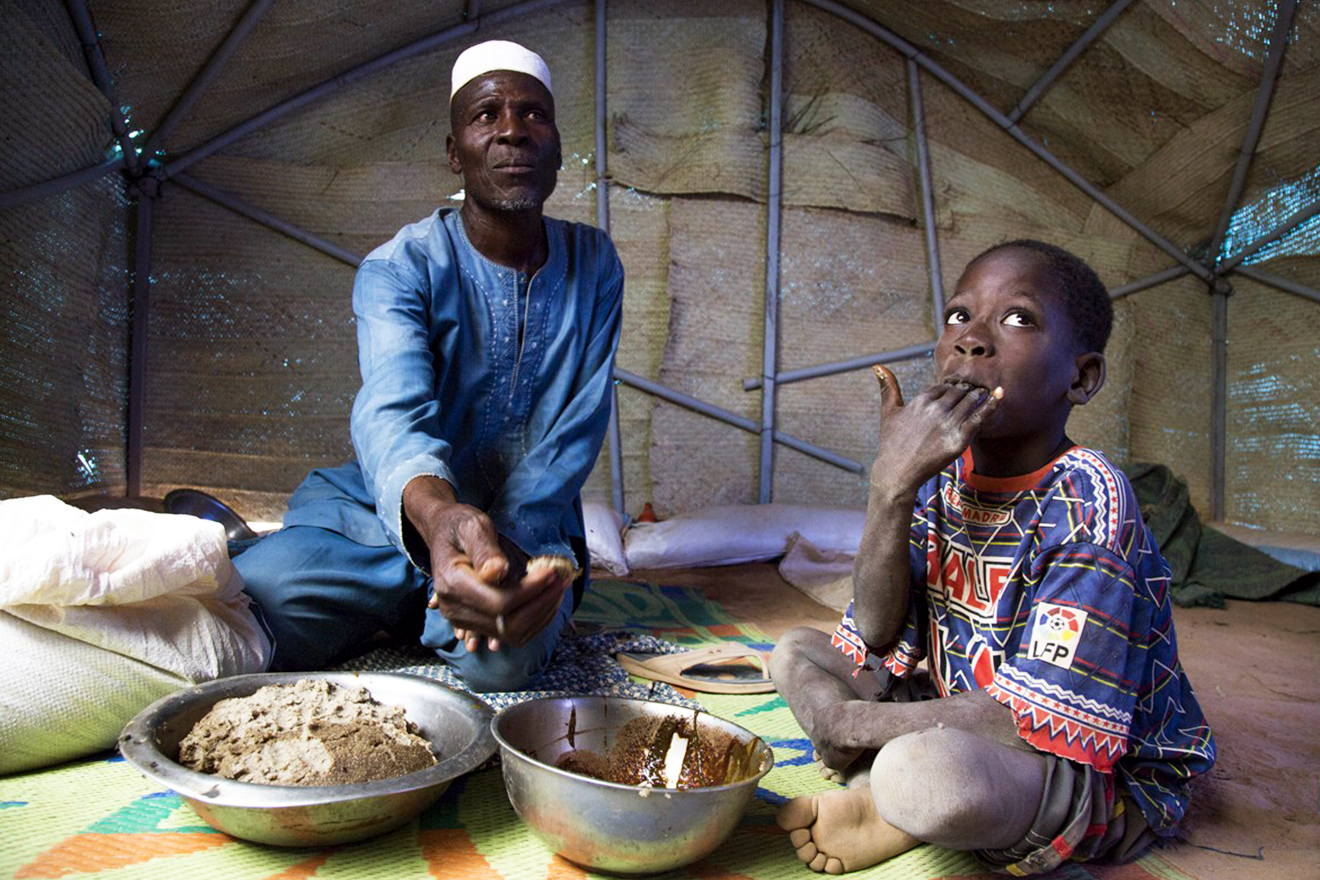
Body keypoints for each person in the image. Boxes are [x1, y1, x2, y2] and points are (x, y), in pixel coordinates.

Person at [769, 240, 1215, 875]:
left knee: (924, 771)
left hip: (1078, 766)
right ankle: (890, 795)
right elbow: (870, 633)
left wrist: (856, 725)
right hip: (958, 709)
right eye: (958, 316)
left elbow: (1032, 714)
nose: (972, 341)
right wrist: (889, 486)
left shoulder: (1089, 498)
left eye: (1018, 319)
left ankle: (884, 794)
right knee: (795, 652)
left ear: (1081, 377)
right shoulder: (937, 477)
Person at [234, 40, 625, 693]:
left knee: (502, 657)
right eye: (486, 115)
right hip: (391, 518)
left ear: (557, 147)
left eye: (533, 115)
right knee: (263, 589)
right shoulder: (400, 266)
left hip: (526, 529)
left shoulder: (596, 264)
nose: (511, 130)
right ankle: (424, 593)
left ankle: (435, 603)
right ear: (455, 152)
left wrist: (504, 559)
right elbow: (393, 409)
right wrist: (441, 521)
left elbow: (573, 432)